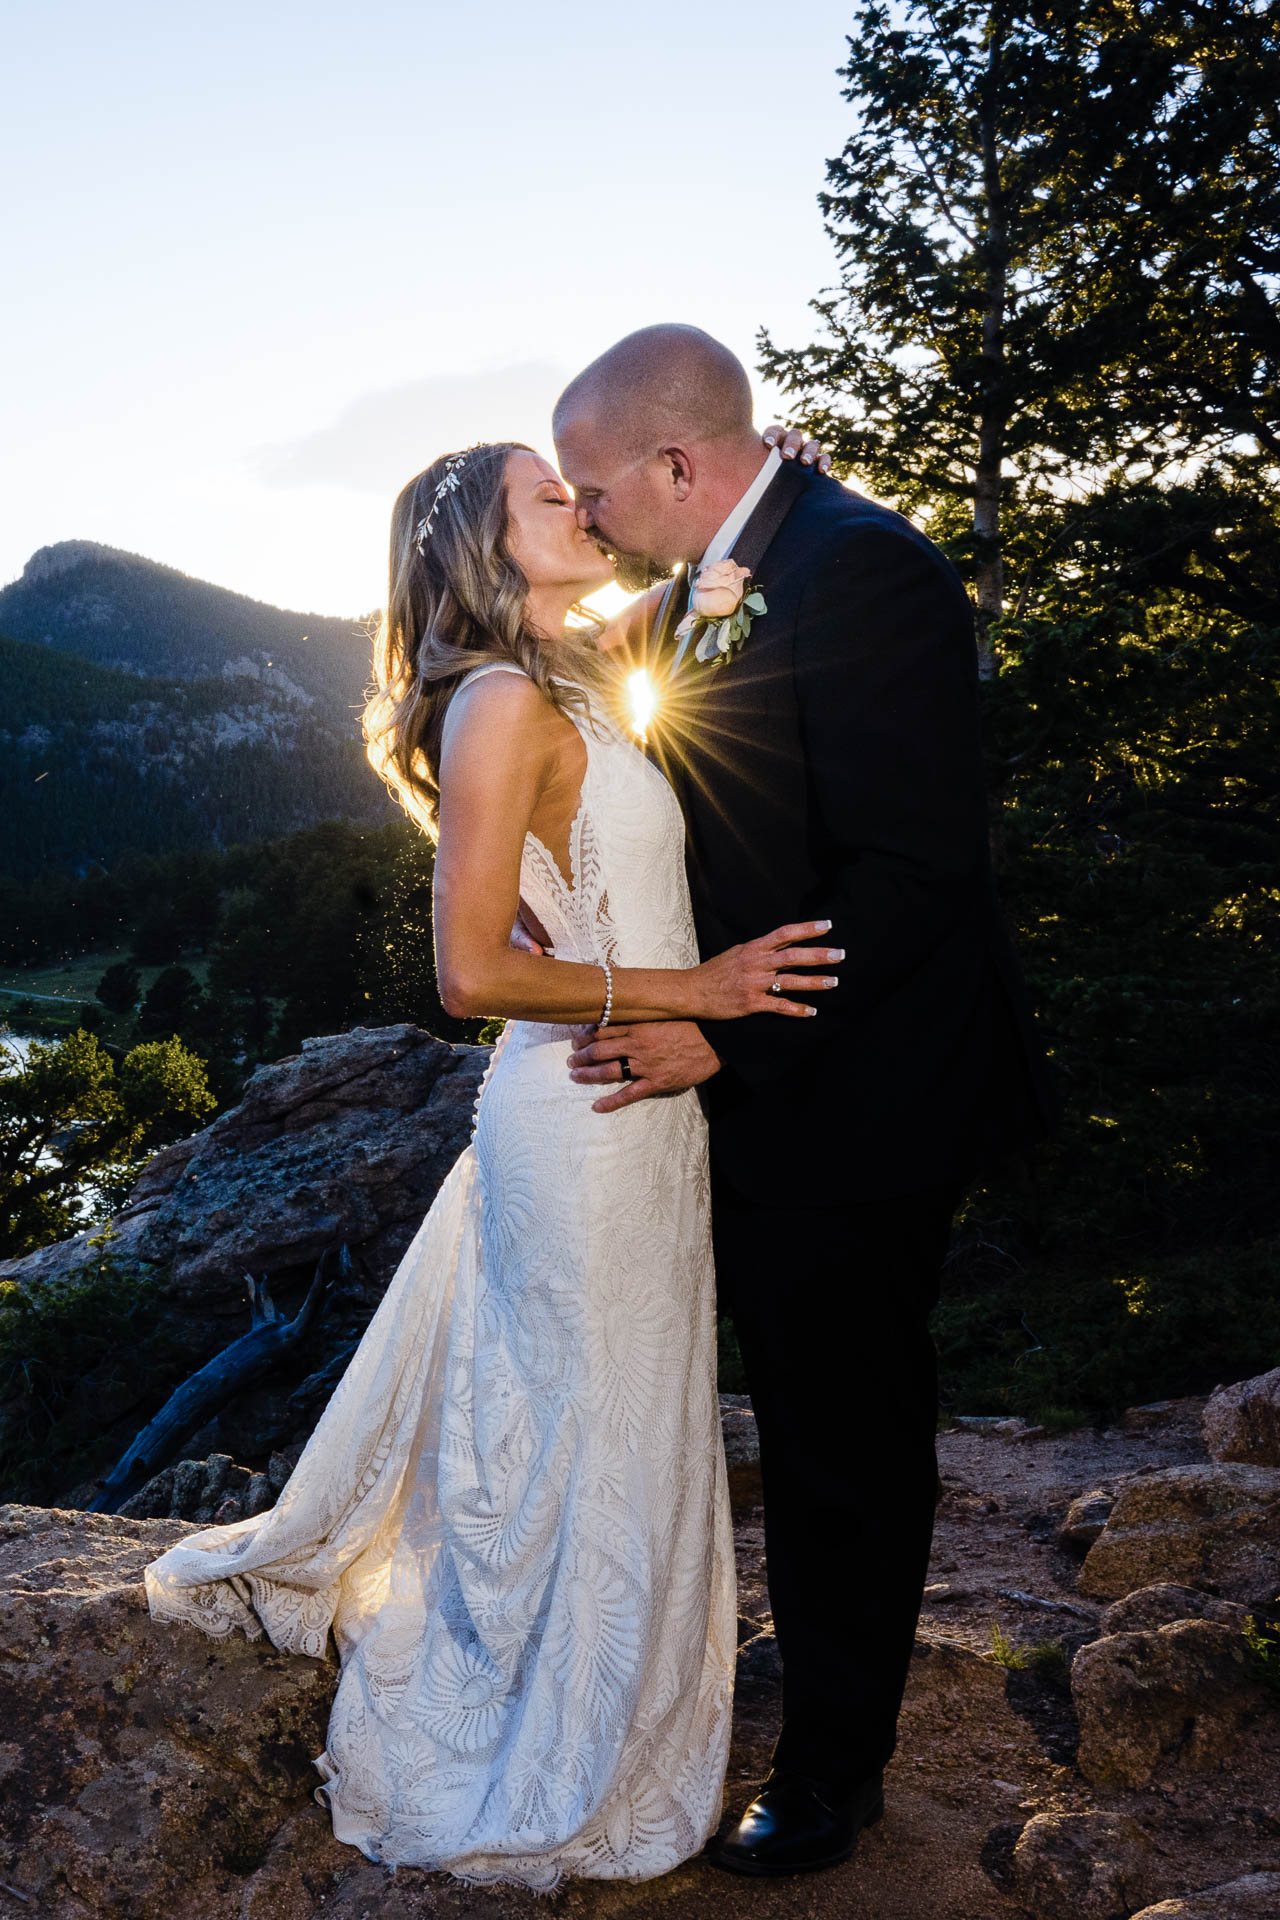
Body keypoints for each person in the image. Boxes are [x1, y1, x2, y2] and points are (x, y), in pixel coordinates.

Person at [142, 425, 838, 1890]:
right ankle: (541, 1731)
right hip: (580, 1109)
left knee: (628, 1413)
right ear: (483, 543)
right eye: (546, 496)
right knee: (575, 1427)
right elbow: (467, 975)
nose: (580, 505)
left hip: (640, 1116)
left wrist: (761, 478)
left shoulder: (573, 667)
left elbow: (690, 584)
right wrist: (696, 993)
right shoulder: (503, 702)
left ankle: (608, 1707)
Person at [553, 324, 1061, 1877]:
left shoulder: (865, 571)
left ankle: (836, 1775)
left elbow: (913, 872)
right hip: (778, 1079)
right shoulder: (748, 556)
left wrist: (731, 1035)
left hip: (859, 1092)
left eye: (594, 490)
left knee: (842, 1429)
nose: (584, 519)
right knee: (799, 1404)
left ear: (679, 466)